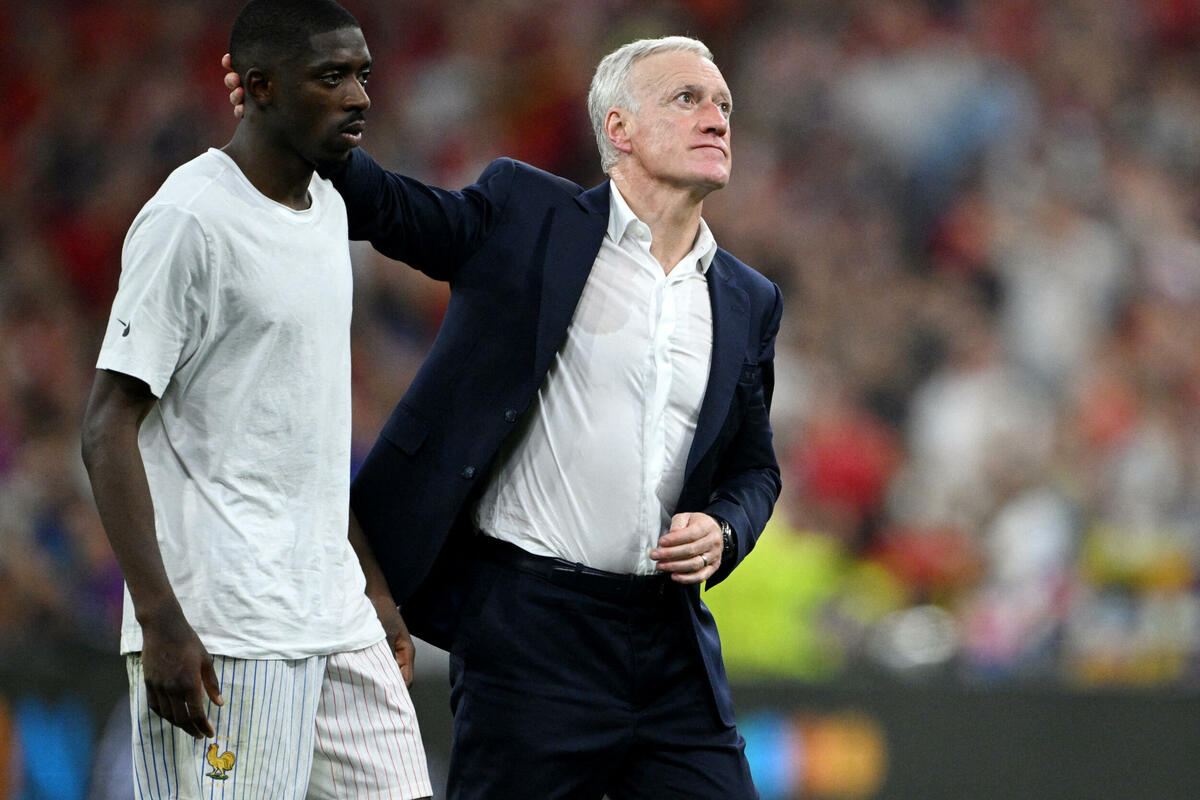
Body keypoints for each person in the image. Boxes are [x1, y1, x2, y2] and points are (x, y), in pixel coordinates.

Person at [230, 33, 780, 799]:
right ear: (618, 129)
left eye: (722, 103)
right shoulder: (531, 216)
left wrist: (724, 529)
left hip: (669, 644)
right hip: (530, 629)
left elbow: (755, 468)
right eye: (687, 99)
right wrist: (295, 122)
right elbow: (394, 208)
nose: (716, 117)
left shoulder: (748, 298)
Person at [80, 1, 432, 797]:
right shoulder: (189, 218)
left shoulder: (330, 211)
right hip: (225, 626)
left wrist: (371, 588)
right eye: (331, 77)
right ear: (261, 87)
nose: (358, 96)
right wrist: (160, 620)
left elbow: (303, 434)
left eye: (363, 75)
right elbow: (106, 428)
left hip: (335, 615)